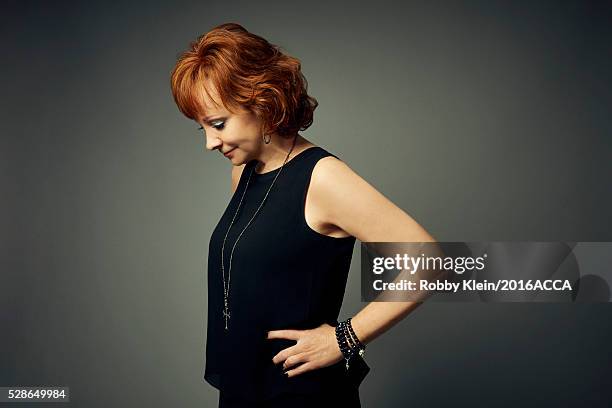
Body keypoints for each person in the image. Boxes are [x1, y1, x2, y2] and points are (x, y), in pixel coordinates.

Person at [170, 22, 436, 408]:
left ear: (261, 101)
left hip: (301, 396)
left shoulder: (322, 177)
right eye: (202, 129)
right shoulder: (242, 173)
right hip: (244, 392)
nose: (210, 143)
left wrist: (344, 338)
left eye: (218, 124)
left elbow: (428, 260)